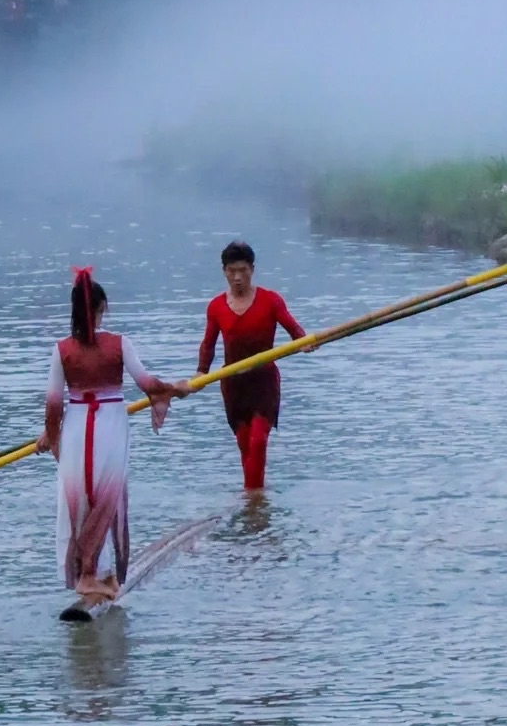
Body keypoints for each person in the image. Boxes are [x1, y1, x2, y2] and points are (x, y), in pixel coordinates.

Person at [37, 269, 183, 602]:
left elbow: (53, 405)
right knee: (107, 497)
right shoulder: (119, 344)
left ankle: (93, 573)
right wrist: (174, 390)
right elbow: (148, 385)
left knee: (80, 497)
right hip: (110, 429)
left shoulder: (62, 351)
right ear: (103, 307)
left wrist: (50, 435)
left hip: (75, 428)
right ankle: (92, 574)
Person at [195, 240, 306, 493]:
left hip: (263, 382)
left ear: (252, 270)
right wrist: (202, 372)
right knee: (245, 443)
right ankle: (253, 498)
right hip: (233, 383)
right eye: (231, 271)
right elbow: (209, 344)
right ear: (224, 271)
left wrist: (303, 342)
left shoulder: (270, 300)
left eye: (243, 271)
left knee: (258, 441)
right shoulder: (216, 307)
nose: (237, 278)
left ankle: (253, 503)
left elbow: (293, 328)